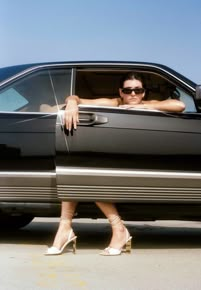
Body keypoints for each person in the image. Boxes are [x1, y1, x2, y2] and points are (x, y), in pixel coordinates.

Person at [45, 72, 185, 256]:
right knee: (78, 171)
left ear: (143, 93)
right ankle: (68, 229)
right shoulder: (115, 103)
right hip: (119, 157)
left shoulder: (148, 104)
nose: (133, 94)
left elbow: (180, 105)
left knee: (85, 173)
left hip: (143, 161)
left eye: (138, 90)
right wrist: (71, 103)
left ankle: (115, 229)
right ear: (121, 92)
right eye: (128, 90)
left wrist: (141, 109)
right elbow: (77, 98)